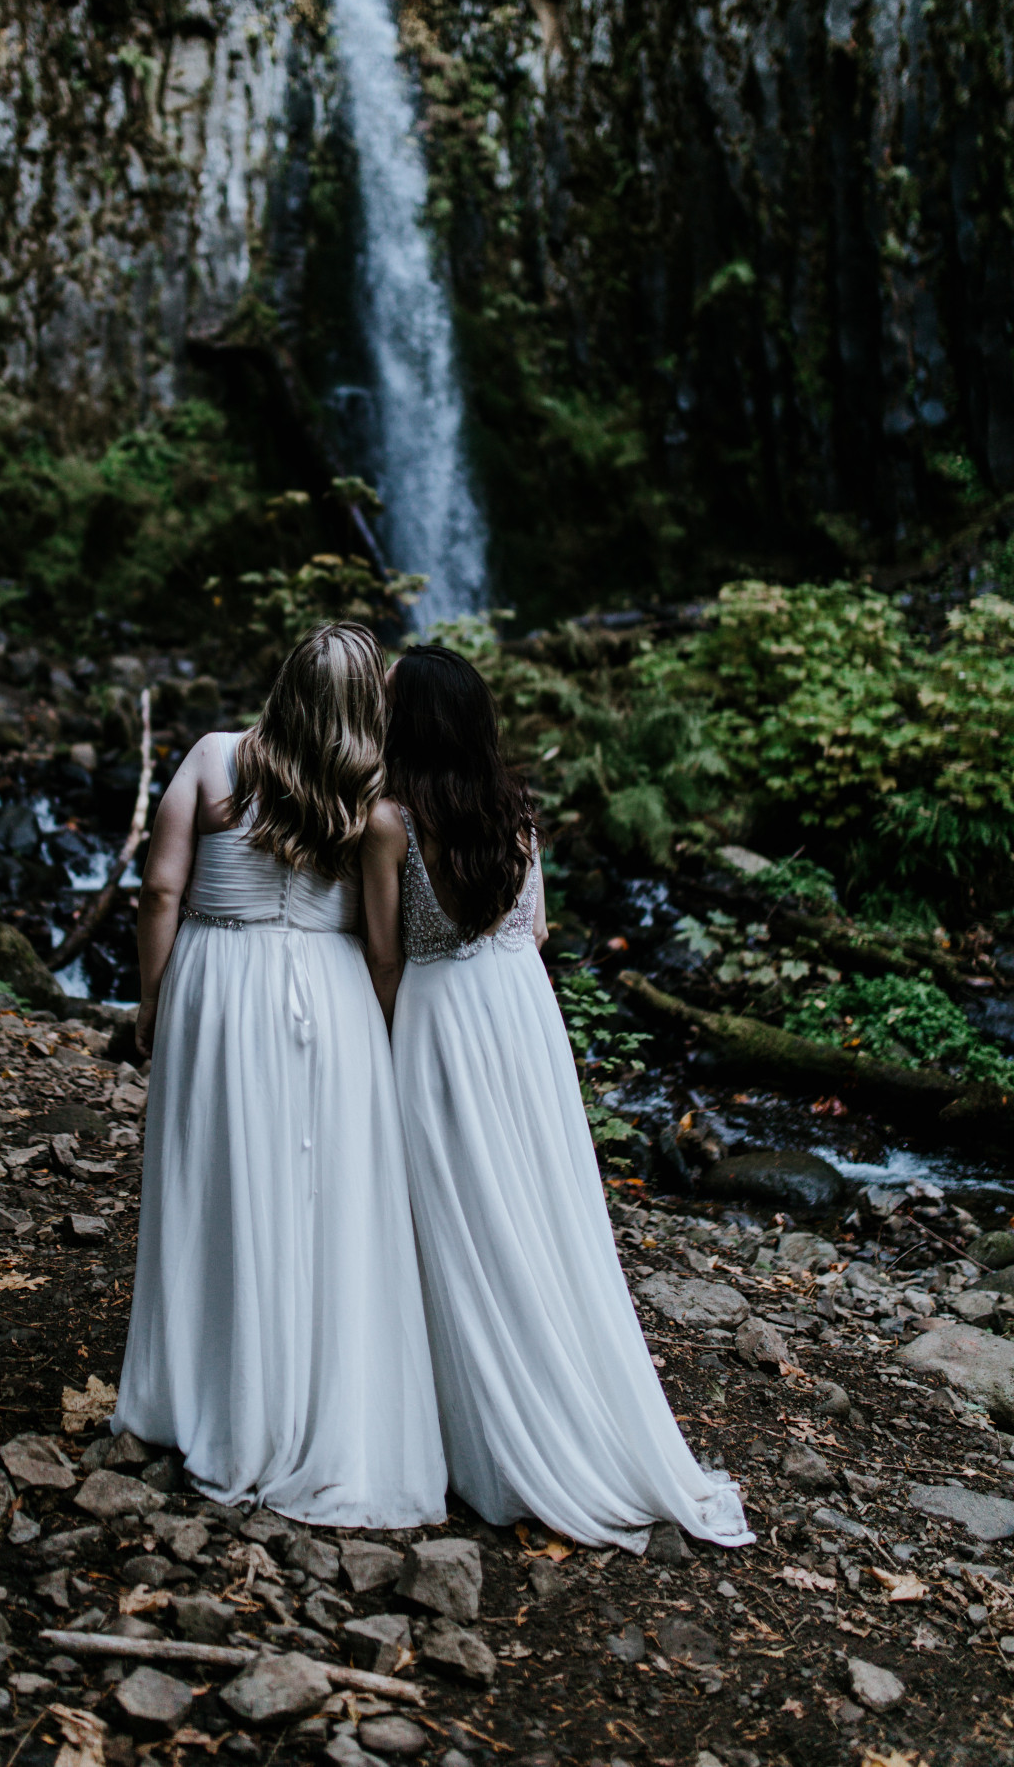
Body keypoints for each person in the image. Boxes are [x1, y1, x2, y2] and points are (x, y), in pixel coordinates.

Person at [360, 643, 752, 1552]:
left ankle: (494, 1439)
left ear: (411, 719)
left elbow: (383, 955)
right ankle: (568, 1402)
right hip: (521, 1019)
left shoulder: (388, 821)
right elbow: (534, 932)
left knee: (464, 1212)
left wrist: (385, 1038)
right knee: (538, 1207)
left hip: (442, 1017)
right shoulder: (519, 811)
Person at [114, 621, 446, 1527]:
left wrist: (152, 1000)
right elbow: (389, 936)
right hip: (333, 995)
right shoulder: (376, 791)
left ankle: (203, 1396)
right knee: (325, 1201)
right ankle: (316, 1401)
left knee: (210, 1188)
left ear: (287, 684)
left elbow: (160, 891)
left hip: (218, 989)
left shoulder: (217, 757)